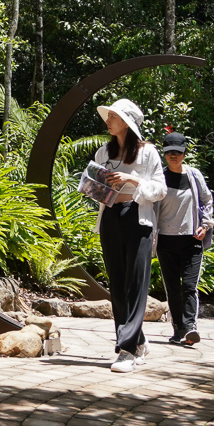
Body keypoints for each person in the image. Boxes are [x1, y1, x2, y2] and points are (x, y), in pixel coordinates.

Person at [78, 98, 166, 373]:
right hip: (111, 219)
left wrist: (131, 180)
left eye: (113, 116)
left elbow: (160, 190)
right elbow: (92, 186)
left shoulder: (148, 153)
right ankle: (136, 339)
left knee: (135, 282)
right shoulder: (104, 151)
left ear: (127, 121)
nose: (108, 121)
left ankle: (127, 349)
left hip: (137, 219)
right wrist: (97, 183)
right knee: (117, 282)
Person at [152, 131, 214, 348]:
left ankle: (190, 328)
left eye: (178, 152)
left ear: (185, 153)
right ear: (165, 154)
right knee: (172, 287)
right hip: (166, 241)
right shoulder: (159, 176)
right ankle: (178, 329)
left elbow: (206, 200)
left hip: (192, 240)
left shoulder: (194, 176)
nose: (174, 156)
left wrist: (205, 224)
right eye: (169, 152)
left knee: (189, 285)